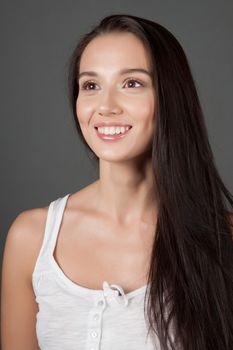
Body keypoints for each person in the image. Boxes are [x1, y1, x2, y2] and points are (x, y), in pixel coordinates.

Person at [1, 13, 233, 350]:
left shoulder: (224, 241)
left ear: (171, 98)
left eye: (132, 83)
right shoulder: (30, 239)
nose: (105, 106)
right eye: (91, 85)